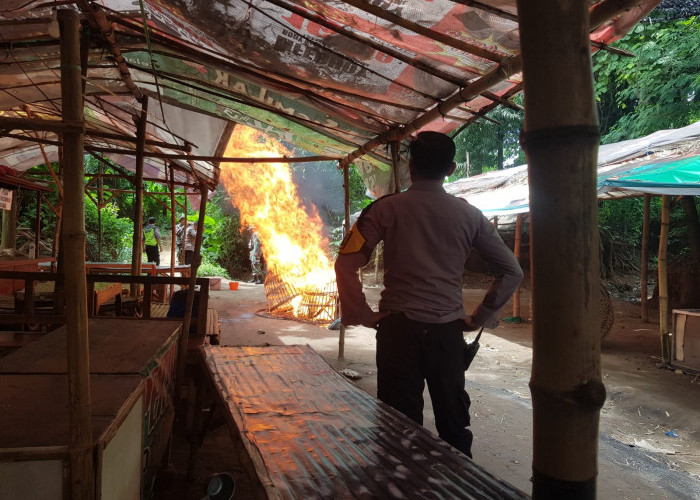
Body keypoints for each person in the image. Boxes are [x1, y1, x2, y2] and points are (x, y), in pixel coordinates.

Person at [334, 131, 523, 459]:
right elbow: (512, 272)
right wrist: (479, 318)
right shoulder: (470, 216)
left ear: (411, 165)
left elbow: (345, 263)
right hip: (446, 336)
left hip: (398, 333)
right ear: (451, 169)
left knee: (398, 429)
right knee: (454, 426)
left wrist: (361, 313)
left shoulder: (385, 209)